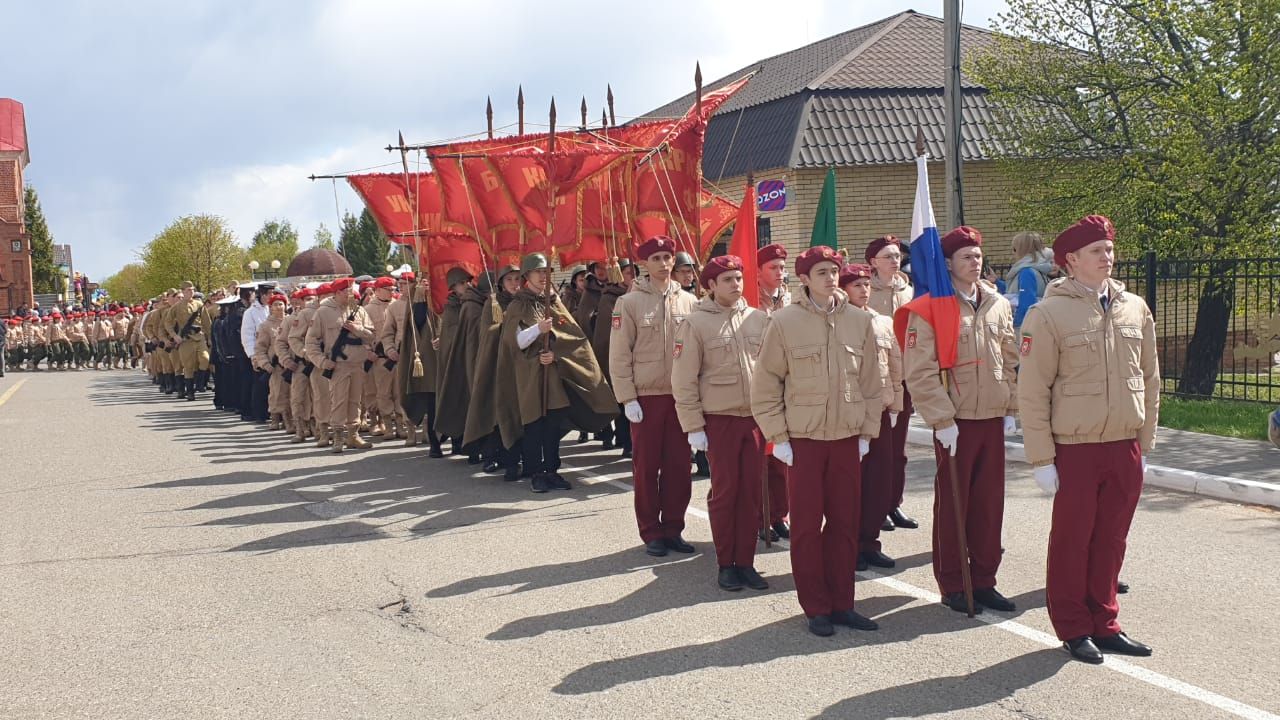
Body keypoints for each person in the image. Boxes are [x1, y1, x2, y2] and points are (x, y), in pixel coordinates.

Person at [1018, 214, 1159, 664]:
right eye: (1097, 251)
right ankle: (1074, 627)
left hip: (1124, 444)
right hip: (1075, 448)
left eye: (1110, 249)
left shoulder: (1134, 307)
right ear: (1070, 260)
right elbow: (1033, 389)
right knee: (1072, 541)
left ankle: (1106, 621)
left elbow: (1150, 377)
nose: (1108, 257)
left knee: (1112, 539)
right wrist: (1041, 458)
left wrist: (1145, 441)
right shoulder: (1047, 314)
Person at [750, 245, 884, 637]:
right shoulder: (785, 322)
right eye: (820, 272)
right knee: (807, 526)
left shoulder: (859, 321)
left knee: (845, 523)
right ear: (805, 279)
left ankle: (843, 602)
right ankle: (816, 606)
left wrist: (866, 432)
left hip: (845, 438)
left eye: (833, 270)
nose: (828, 277)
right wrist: (778, 436)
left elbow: (871, 384)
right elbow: (765, 384)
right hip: (804, 440)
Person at [903, 226, 1020, 616]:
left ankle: (985, 580)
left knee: (989, 506)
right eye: (966, 256)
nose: (975, 261)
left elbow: (1010, 359)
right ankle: (954, 582)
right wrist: (940, 419)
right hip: (956, 421)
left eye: (978, 254)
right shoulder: (933, 306)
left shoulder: (997, 304)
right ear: (948, 263)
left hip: (990, 417)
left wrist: (1011, 409)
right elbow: (919, 371)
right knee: (955, 504)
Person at [672, 255, 770, 591]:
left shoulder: (758, 319)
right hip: (720, 420)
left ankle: (746, 561)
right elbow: (683, 379)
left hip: (755, 420)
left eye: (739, 278)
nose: (736, 284)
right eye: (727, 279)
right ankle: (726, 562)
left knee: (752, 493)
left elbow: (772, 373)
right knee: (727, 493)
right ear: (710, 285)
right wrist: (693, 426)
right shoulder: (695, 324)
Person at [611, 236, 699, 555]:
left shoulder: (690, 303)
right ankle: (651, 531)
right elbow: (620, 354)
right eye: (656, 258)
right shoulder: (630, 303)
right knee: (647, 467)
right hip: (646, 398)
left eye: (668, 257)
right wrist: (627, 397)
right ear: (644, 265)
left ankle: (674, 527)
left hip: (680, 397)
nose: (664, 264)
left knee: (679, 466)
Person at [504, 252, 616, 492]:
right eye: (538, 272)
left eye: (546, 272)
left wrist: (555, 353)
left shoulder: (553, 301)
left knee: (553, 424)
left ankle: (552, 470)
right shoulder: (518, 304)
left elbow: (572, 337)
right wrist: (538, 329)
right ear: (527, 275)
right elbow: (516, 342)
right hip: (531, 376)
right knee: (535, 424)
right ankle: (536, 473)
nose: (543, 277)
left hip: (554, 375)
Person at [840, 263, 904, 571]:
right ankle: (848, 545)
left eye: (867, 284)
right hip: (851, 413)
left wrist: (896, 404)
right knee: (852, 486)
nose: (864, 290)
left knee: (879, 482)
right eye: (857, 285)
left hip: (880, 410)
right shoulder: (838, 322)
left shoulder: (883, 322)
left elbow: (895, 365)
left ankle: (869, 542)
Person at [866, 235, 918, 531]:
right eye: (888, 256)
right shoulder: (864, 291)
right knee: (877, 448)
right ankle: (876, 504)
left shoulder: (908, 290)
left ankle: (894, 502)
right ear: (873, 262)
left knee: (898, 448)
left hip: (905, 374)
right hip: (876, 377)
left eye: (897, 256)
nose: (894, 261)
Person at [464, 264, 525, 481]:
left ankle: (523, 459)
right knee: (501, 414)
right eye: (509, 280)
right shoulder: (493, 303)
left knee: (523, 415)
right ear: (501, 283)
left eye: (518, 279)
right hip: (499, 365)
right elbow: (486, 333)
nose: (514, 284)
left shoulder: (525, 300)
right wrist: (506, 323)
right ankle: (501, 459)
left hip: (523, 365)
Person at [306, 277, 376, 453]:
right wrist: (322, 361)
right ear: (337, 293)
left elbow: (372, 334)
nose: (351, 292)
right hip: (338, 365)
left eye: (352, 289)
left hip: (358, 363)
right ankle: (338, 435)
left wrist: (357, 329)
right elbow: (311, 342)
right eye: (347, 290)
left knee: (356, 401)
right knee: (339, 400)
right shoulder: (323, 312)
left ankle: (353, 435)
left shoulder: (358, 310)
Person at [755, 243, 792, 541]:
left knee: (781, 459)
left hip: (786, 385)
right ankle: (759, 516)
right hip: (757, 385)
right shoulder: (749, 300)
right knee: (758, 461)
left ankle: (779, 513)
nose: (780, 273)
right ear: (758, 271)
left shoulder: (790, 298)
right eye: (773, 268)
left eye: (782, 267)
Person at [436, 267, 486, 462]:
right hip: (459, 362)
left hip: (474, 358)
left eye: (467, 282)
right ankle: (468, 447)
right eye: (461, 283)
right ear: (453, 287)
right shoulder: (451, 309)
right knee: (463, 403)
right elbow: (451, 338)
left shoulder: (476, 302)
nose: (466, 286)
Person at [591, 258, 635, 456]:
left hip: (640, 360)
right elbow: (605, 333)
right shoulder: (609, 298)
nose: (632, 277)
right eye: (627, 273)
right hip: (617, 356)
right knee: (623, 401)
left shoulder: (641, 296)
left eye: (634, 273)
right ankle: (625, 441)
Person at [986, 230, 1056, 329]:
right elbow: (1019, 291)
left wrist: (1014, 325)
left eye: (1014, 249)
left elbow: (1026, 304)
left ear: (1021, 250)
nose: (1013, 253)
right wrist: (996, 282)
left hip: (1025, 327)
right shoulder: (1040, 269)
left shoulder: (1026, 272)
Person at [167, 281, 212, 401]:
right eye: (188, 290)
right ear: (182, 291)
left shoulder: (199, 304)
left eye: (192, 289)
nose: (191, 292)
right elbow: (168, 323)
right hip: (185, 340)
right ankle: (190, 392)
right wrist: (174, 335)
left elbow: (207, 323)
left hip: (200, 337)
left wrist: (210, 338)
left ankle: (199, 383)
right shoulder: (176, 307)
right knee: (188, 366)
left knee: (205, 359)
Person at [252, 292, 290, 430]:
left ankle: (289, 419)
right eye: (275, 304)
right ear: (271, 307)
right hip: (275, 366)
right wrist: (265, 363)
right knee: (276, 392)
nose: (279, 307)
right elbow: (260, 347)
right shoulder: (265, 326)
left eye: (281, 304)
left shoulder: (291, 321)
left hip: (291, 363)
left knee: (292, 393)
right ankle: (275, 417)